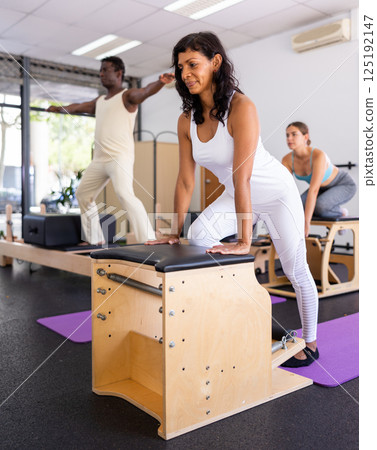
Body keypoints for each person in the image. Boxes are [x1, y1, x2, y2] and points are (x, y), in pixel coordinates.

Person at [146, 32, 319, 368]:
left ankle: (310, 343)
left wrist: (244, 240)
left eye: (192, 64)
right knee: (196, 238)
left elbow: (242, 175)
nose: (185, 73)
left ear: (215, 62)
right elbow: (185, 180)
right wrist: (174, 232)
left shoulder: (242, 107)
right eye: (180, 67)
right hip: (238, 195)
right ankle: (242, 306)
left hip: (276, 194)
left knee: (296, 270)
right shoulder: (186, 120)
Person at [47, 56, 174, 245]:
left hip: (119, 158)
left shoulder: (127, 96)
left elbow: (144, 92)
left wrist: (159, 82)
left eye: (106, 70)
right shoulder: (100, 101)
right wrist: (60, 108)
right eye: (101, 70)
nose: (101, 73)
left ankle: (148, 239)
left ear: (119, 73)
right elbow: (79, 106)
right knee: (83, 193)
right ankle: (95, 239)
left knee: (125, 194)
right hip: (99, 160)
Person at [282, 121, 357, 237]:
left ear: (305, 136)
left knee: (320, 207)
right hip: (321, 188)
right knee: (297, 206)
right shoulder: (287, 160)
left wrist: (306, 222)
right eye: (287, 135)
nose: (289, 138)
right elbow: (286, 190)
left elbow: (313, 190)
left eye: (294, 134)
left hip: (342, 184)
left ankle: (340, 212)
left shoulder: (318, 155)